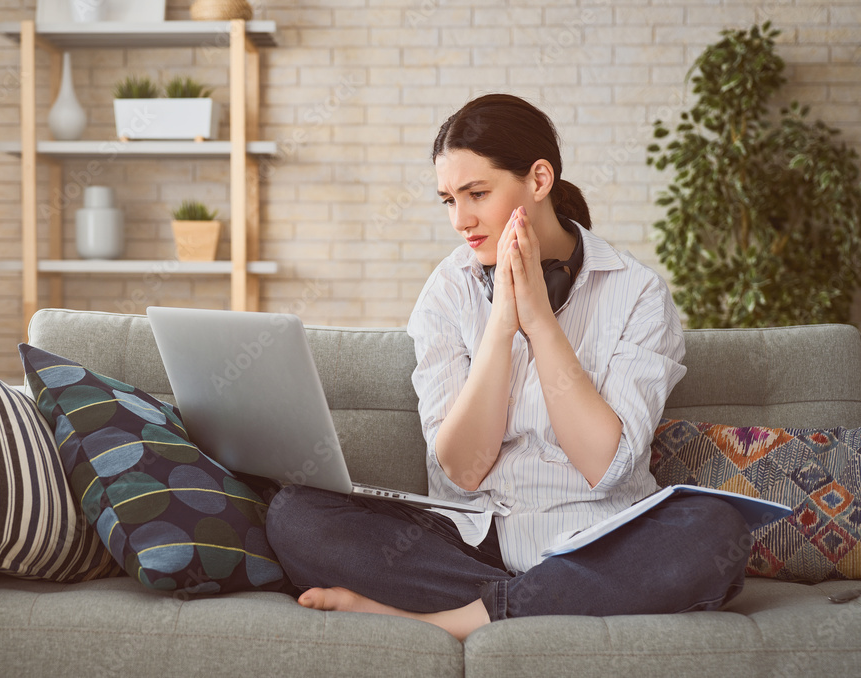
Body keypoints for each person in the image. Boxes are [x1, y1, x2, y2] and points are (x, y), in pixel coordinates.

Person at [265, 93, 750, 640]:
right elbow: (463, 471)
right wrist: (500, 326)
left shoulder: (636, 294)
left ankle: (456, 621)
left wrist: (541, 322)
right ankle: (543, 601)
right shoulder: (448, 291)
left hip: (597, 540)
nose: (460, 220)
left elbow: (605, 466)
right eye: (448, 200)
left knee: (711, 532)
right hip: (471, 542)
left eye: (477, 194)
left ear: (538, 180)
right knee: (295, 514)